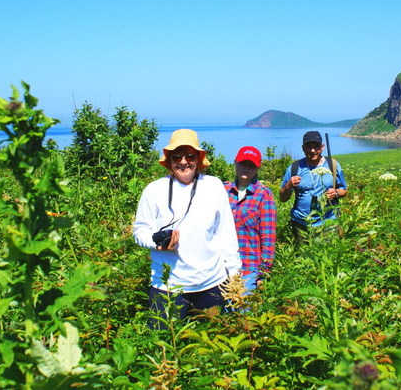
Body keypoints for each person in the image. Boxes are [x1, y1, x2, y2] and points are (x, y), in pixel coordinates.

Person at [133, 129, 241, 325]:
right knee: (162, 345)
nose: (183, 162)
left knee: (211, 345)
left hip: (211, 283)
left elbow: (226, 233)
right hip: (167, 285)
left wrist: (233, 273)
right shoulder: (154, 190)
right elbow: (140, 230)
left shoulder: (214, 186)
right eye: (177, 157)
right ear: (169, 160)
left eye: (190, 156)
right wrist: (157, 242)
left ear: (198, 159)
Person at [224, 146, 277, 291]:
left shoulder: (263, 195)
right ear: (235, 163)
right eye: (242, 163)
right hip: (222, 269)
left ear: (257, 168)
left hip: (248, 269)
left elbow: (268, 237)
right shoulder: (223, 191)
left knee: (244, 311)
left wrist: (263, 273)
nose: (246, 168)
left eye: (251, 165)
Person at [279, 130, 348, 242]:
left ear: (322, 147)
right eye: (308, 146)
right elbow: (282, 198)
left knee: (328, 255)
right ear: (303, 148)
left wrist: (335, 193)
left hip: (328, 222)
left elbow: (343, 191)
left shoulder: (333, 165)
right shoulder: (294, 168)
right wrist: (288, 186)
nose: (312, 150)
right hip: (301, 224)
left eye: (316, 146)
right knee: (304, 256)